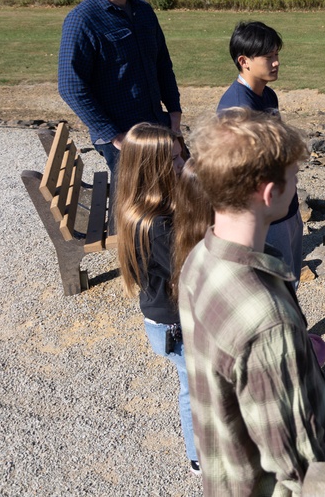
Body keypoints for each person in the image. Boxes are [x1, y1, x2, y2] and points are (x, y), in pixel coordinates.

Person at [179, 108, 325, 495]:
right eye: (294, 178)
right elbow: (306, 474)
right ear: (270, 193)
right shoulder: (268, 323)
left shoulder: (199, 258)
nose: (296, 186)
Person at [58, 0, 182, 178]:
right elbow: (71, 86)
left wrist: (174, 111)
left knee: (171, 196)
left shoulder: (143, 10)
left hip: (158, 124)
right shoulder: (82, 20)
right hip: (122, 137)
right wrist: (113, 135)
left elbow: (162, 64)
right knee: (134, 209)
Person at [113, 123, 198, 475]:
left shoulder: (136, 208)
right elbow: (192, 270)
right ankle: (199, 456)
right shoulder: (159, 226)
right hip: (175, 325)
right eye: (177, 159)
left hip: (163, 318)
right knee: (193, 390)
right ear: (157, 169)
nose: (184, 163)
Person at [217, 21, 303, 284]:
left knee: (291, 278)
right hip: (264, 216)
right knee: (277, 285)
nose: (276, 62)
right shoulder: (237, 109)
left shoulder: (268, 95)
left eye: (277, 55)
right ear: (244, 61)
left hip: (286, 207)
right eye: (268, 56)